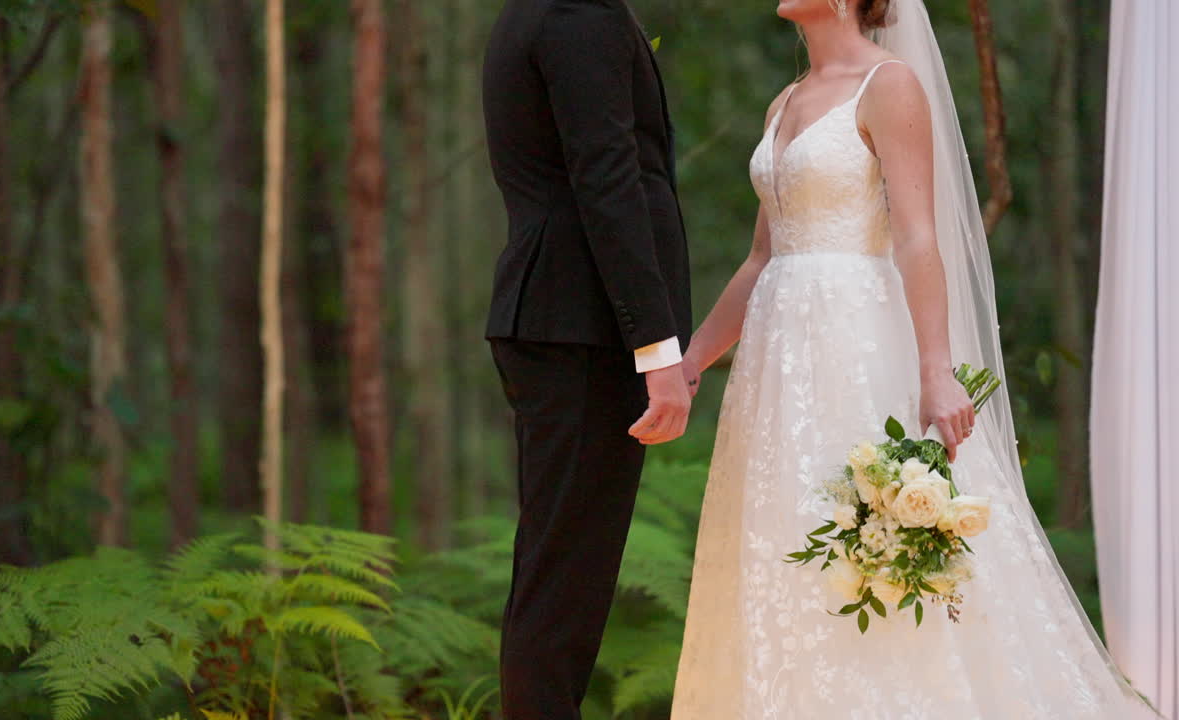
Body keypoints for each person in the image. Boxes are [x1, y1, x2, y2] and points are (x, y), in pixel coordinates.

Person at [670, 0, 1163, 717]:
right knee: (782, 539)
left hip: (856, 343)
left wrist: (936, 370)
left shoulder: (890, 85)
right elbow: (760, 257)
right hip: (776, 366)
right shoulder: (787, 98)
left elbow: (917, 238)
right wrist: (689, 363)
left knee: (867, 535)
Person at [480, 0, 693, 717]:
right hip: (580, 325)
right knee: (564, 581)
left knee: (564, 573)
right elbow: (606, 175)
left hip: (571, 320)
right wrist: (656, 347)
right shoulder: (576, 11)